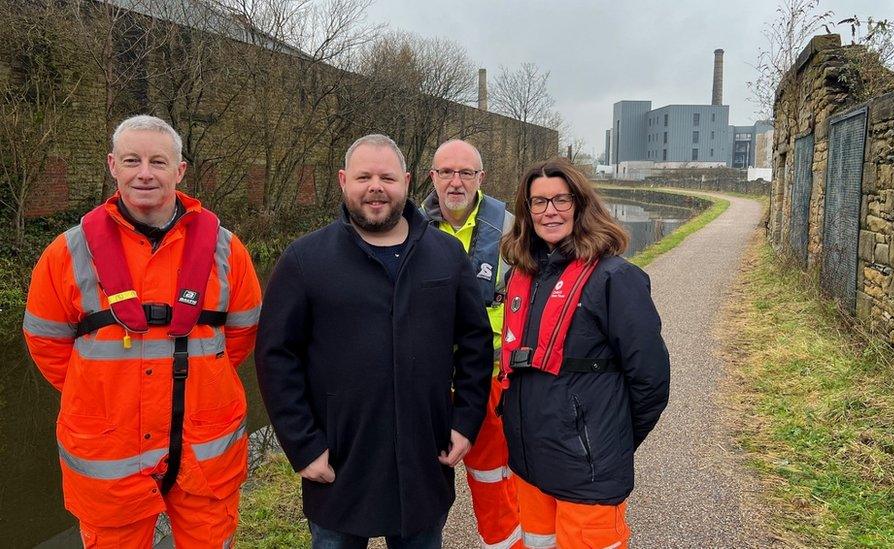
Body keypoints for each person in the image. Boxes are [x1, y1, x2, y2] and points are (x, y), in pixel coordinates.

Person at [22, 115, 262, 547]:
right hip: (110, 456)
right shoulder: (66, 253)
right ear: (113, 166)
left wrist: (201, 381)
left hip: (204, 450)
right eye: (132, 160)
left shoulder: (226, 249)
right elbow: (46, 342)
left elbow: (243, 336)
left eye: (158, 161)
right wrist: (100, 391)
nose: (145, 173)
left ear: (180, 170)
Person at [255, 134, 493, 547]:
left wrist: (466, 422)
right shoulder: (305, 259)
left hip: (424, 463)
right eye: (363, 176)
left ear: (407, 180)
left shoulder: (446, 255)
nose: (375, 187)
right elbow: (276, 357)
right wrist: (302, 444)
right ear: (344, 180)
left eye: (386, 176)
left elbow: (475, 345)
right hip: (339, 468)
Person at [497, 158, 670, 549]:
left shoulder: (615, 279)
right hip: (530, 466)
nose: (550, 211)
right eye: (538, 202)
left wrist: (607, 441)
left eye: (561, 199)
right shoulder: (522, 276)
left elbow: (651, 381)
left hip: (587, 473)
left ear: (580, 204)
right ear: (526, 212)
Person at [421, 139, 522, 549]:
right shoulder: (409, 229)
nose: (456, 181)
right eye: (446, 172)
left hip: (492, 381)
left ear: (481, 178)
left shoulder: (513, 230)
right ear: (432, 177)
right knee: (421, 485)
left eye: (466, 173)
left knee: (493, 480)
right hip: (427, 385)